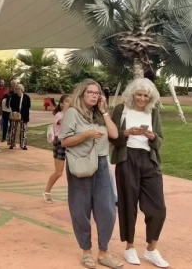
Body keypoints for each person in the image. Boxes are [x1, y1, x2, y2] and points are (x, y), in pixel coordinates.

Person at [59, 79, 121, 269]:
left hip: (102, 164)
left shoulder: (99, 115)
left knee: (108, 210)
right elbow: (64, 141)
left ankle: (103, 252)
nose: (95, 95)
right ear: (82, 94)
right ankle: (86, 251)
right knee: (81, 210)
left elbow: (115, 135)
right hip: (82, 165)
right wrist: (86, 135)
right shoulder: (73, 113)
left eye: (97, 93)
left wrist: (104, 111)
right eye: (91, 93)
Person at [110, 78, 168, 268]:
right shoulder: (121, 110)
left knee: (158, 208)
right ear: (132, 94)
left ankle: (151, 249)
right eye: (139, 94)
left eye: (145, 95)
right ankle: (130, 247)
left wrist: (152, 137)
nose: (142, 98)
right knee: (128, 205)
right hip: (127, 160)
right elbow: (113, 137)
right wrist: (126, 133)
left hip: (149, 162)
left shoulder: (153, 112)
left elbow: (159, 142)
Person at [43, 94, 71, 203]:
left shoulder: (73, 115)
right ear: (62, 104)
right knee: (59, 172)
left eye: (72, 102)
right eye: (68, 101)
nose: (70, 104)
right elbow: (65, 123)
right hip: (60, 143)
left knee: (73, 171)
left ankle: (74, 195)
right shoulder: (59, 115)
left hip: (72, 143)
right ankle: (47, 191)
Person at [7, 83, 31, 150]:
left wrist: (22, 112)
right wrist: (16, 111)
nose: (18, 90)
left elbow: (28, 106)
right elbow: (11, 105)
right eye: (17, 89)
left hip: (24, 115)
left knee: (23, 130)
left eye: (19, 89)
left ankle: (23, 145)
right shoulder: (13, 96)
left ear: (22, 89)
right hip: (15, 115)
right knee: (13, 130)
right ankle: (12, 144)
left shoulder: (26, 97)